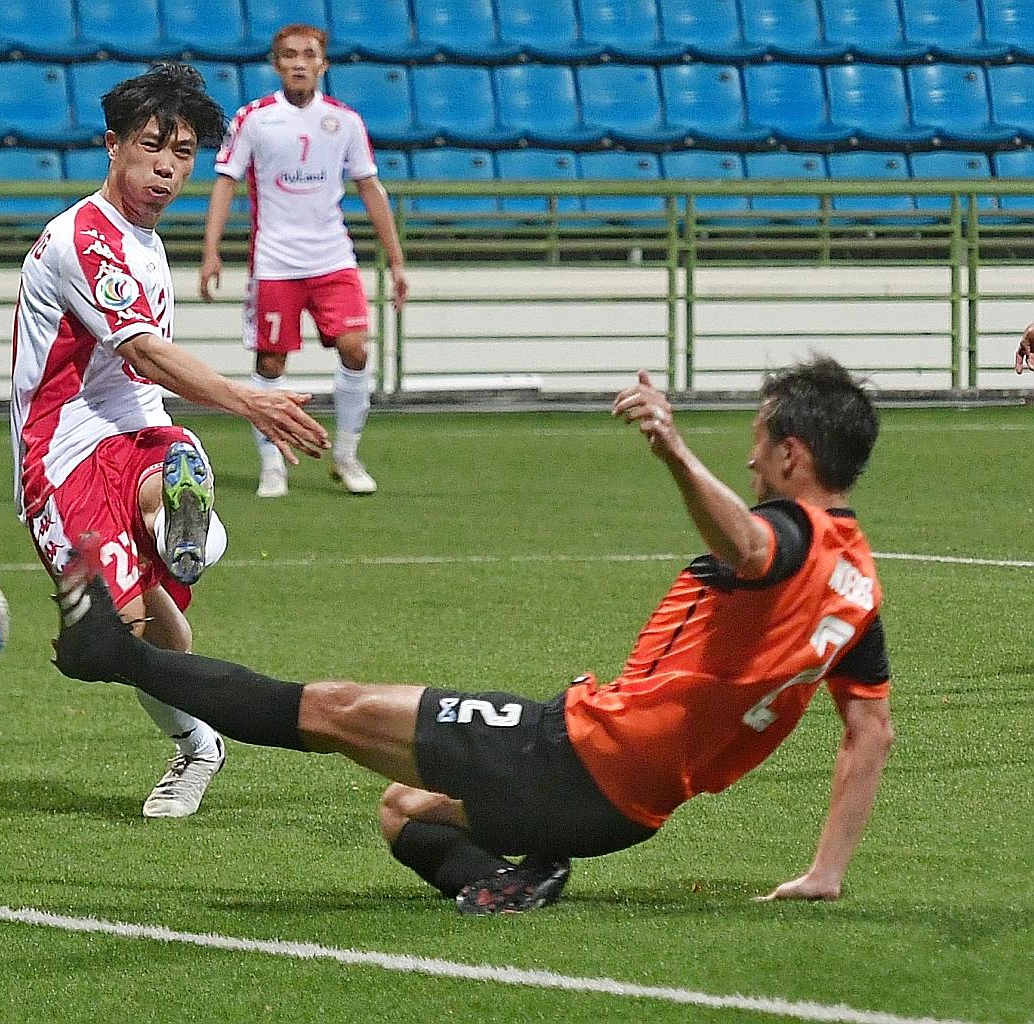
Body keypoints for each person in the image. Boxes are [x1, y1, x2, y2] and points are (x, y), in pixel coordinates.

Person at [50, 358, 895, 912]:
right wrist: (826, 872)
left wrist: (672, 448)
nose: (748, 462)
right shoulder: (856, 585)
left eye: (756, 444)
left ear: (792, 455)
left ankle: (117, 654)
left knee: (335, 711)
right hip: (624, 806)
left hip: (581, 757)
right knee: (405, 812)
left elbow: (749, 547)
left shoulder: (782, 540)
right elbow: (870, 730)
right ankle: (510, 878)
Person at [12, 63, 329, 819]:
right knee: (130, 641)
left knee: (165, 478)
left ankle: (180, 512)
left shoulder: (145, 238)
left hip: (139, 430)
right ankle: (198, 740)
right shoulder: (86, 240)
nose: (167, 167)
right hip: (61, 452)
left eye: (183, 152)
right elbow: (145, 351)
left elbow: (143, 368)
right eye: (153, 147)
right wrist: (249, 401)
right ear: (113, 146)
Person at [199, 24, 410, 499]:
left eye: (308, 55)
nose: (299, 63)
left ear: (323, 64)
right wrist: (211, 251)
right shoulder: (253, 118)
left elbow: (370, 187)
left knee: (356, 349)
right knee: (271, 362)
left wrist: (396, 261)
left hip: (331, 257)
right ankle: (273, 464)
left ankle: (346, 455)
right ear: (277, 65)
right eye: (289, 55)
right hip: (275, 261)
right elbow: (225, 182)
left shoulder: (345, 121)